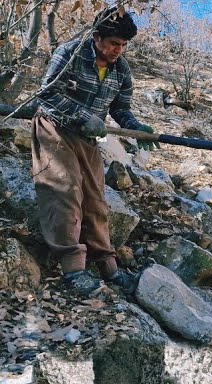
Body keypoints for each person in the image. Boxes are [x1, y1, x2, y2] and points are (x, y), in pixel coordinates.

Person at [32, 6, 155, 297]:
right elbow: (47, 92)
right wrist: (82, 115)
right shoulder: (70, 52)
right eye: (114, 43)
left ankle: (107, 267)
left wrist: (138, 128)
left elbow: (121, 110)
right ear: (97, 37)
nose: (118, 50)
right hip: (54, 127)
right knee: (65, 190)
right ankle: (73, 269)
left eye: (123, 45)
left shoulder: (121, 70)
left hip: (88, 139)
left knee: (96, 201)